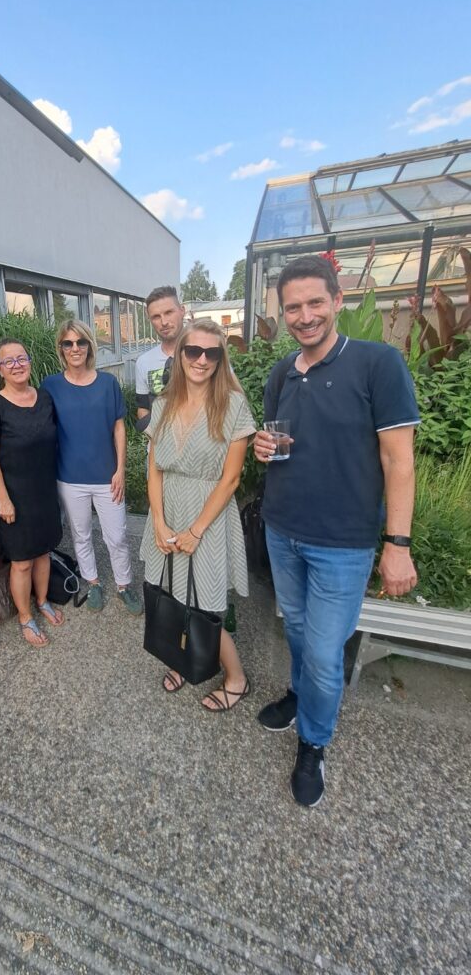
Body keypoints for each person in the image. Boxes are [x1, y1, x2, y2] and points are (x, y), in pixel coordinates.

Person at [253, 254, 419, 807]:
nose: (305, 316)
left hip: (343, 544)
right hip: (283, 529)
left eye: (315, 303)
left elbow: (399, 462)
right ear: (283, 313)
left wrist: (397, 545)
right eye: (293, 307)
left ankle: (313, 744)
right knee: (299, 632)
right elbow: (280, 448)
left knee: (325, 651)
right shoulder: (280, 373)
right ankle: (300, 696)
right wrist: (264, 449)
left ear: (337, 301)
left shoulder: (377, 364)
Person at [140, 319, 255, 710]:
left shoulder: (234, 405)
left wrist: (195, 530)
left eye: (212, 352)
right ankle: (180, 658)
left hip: (208, 513)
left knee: (205, 603)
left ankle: (236, 678)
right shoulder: (164, 404)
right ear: (181, 354)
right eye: (193, 351)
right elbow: (154, 469)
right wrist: (158, 521)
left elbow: (232, 478)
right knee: (171, 593)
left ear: (221, 358)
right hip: (167, 507)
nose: (201, 360)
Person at [42, 320, 142, 615]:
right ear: (61, 349)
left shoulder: (107, 383)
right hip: (70, 477)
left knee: (118, 535)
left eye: (81, 342)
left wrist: (120, 469)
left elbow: (119, 428)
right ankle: (93, 582)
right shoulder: (50, 385)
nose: (75, 348)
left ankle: (124, 585)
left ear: (89, 346)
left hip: (107, 476)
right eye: (68, 343)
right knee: (81, 533)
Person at [0, 338, 63, 648]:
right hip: (14, 495)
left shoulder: (44, 398)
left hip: (44, 490)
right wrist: (2, 498)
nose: (16, 365)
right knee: (22, 561)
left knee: (43, 553)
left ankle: (42, 601)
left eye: (21, 358)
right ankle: (25, 616)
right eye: (8, 361)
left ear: (29, 361)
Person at [135, 286, 187, 431]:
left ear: (182, 310)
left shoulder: (204, 354)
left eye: (169, 312)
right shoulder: (143, 362)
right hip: (158, 449)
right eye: (156, 316)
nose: (163, 322)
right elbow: (142, 408)